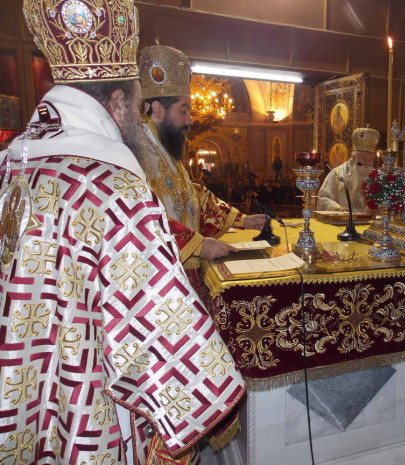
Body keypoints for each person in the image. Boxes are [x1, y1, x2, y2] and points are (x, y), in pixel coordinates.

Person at [0, 1, 245, 464]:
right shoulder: (111, 185)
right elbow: (159, 348)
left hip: (22, 380)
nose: (136, 114)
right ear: (117, 101)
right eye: (135, 101)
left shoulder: (13, 163)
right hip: (90, 393)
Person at [135, 45, 266, 295]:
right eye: (183, 111)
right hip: (158, 279)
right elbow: (137, 215)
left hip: (183, 269)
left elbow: (190, 195)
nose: (191, 120)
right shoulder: (134, 152)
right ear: (158, 109)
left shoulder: (164, 147)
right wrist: (196, 245)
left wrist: (242, 220)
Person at [317, 126, 380, 213]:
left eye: (370, 159)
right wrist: (337, 208)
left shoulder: (377, 177)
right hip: (343, 220)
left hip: (369, 220)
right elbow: (324, 197)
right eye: (364, 158)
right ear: (354, 157)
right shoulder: (337, 174)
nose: (367, 162)